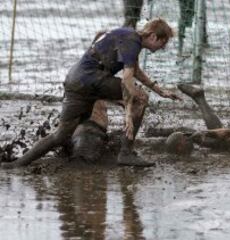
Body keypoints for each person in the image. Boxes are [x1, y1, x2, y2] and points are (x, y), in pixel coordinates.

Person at [1, 18, 181, 169]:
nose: (162, 48)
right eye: (163, 43)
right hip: (91, 79)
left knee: (61, 135)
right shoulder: (132, 41)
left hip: (75, 80)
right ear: (153, 36)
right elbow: (127, 79)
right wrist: (128, 113)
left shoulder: (128, 37)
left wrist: (160, 90)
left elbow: (135, 70)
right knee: (141, 98)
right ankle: (126, 153)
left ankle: (16, 165)